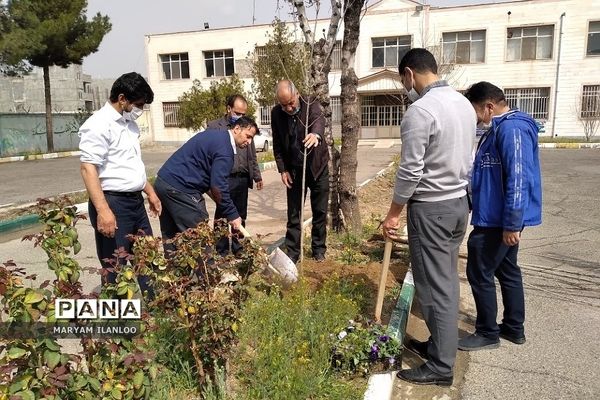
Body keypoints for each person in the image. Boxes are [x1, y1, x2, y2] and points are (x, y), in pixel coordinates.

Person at [381, 49, 475, 386]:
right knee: (446, 280)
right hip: (457, 206)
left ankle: (440, 366)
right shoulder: (464, 104)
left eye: (403, 80)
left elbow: (410, 170)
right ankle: (440, 345)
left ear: (408, 74)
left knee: (435, 289)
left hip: (432, 209)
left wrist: (393, 214)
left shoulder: (420, 112)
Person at [458, 82, 542, 351]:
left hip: (498, 220)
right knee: (507, 270)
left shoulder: (512, 129)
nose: (475, 118)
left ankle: (487, 332)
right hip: (497, 217)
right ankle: (513, 328)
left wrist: (512, 222)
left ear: (489, 106)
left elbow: (518, 177)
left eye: (476, 111)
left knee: (480, 271)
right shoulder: (499, 129)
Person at [79, 72, 161, 298]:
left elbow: (132, 165)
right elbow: (88, 169)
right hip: (112, 203)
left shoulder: (129, 125)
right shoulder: (98, 125)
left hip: (135, 202)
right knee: (114, 267)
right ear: (122, 98)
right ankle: (116, 327)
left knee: (148, 259)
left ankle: (156, 319)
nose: (140, 110)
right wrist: (103, 211)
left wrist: (150, 192)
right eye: (139, 104)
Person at [154, 116, 258, 245]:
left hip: (163, 183)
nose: (249, 142)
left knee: (172, 237)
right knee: (200, 238)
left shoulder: (213, 135)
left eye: (252, 138)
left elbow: (210, 182)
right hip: (181, 189)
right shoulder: (226, 150)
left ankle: (173, 265)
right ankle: (205, 265)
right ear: (236, 129)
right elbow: (218, 186)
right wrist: (232, 214)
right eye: (248, 136)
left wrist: (224, 204)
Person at [271, 79, 329, 264]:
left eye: (290, 103)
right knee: (294, 214)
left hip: (317, 167)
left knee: (319, 211)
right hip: (294, 171)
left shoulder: (310, 103)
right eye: (283, 104)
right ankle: (293, 252)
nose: (288, 108)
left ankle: (319, 249)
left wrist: (316, 134)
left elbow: (318, 121)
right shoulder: (276, 114)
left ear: (297, 94)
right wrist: (283, 169)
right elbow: (278, 143)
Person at [207, 95, 263, 256]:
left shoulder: (246, 127)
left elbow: (251, 154)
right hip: (224, 179)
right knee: (222, 215)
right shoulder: (215, 127)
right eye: (237, 113)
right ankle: (222, 250)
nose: (240, 117)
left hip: (242, 178)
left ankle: (239, 249)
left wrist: (257, 176)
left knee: (240, 214)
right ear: (229, 109)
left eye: (243, 114)